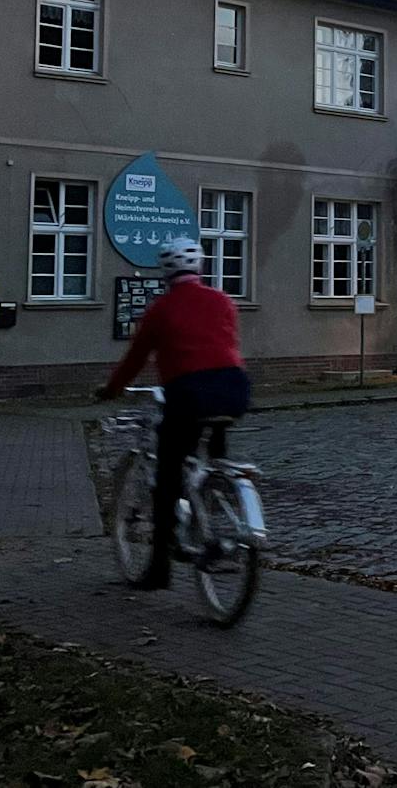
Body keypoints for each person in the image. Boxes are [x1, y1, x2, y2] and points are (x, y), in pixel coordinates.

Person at [97, 237, 251, 590]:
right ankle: (215, 488)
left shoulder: (161, 309)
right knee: (211, 443)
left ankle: (159, 568)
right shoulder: (223, 300)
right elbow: (223, 346)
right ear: (200, 267)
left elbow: (135, 358)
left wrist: (111, 389)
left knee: (167, 476)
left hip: (188, 394)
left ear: (166, 271)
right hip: (233, 388)